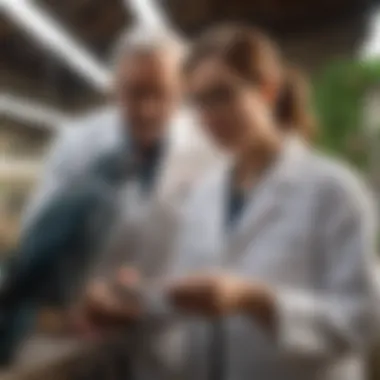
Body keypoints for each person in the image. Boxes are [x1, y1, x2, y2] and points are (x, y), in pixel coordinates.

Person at [87, 25, 378, 380]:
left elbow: (362, 322)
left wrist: (257, 301)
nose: (208, 116)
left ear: (268, 90)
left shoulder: (333, 191)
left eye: (222, 95)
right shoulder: (203, 195)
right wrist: (133, 301)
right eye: (198, 101)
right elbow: (187, 296)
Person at [0, 27, 219, 366]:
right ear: (113, 89)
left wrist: (154, 297)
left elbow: (216, 249)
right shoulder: (78, 142)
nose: (146, 109)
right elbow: (37, 233)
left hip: (170, 329)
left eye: (160, 94)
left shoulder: (210, 149)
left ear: (182, 91)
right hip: (85, 323)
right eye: (134, 93)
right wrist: (83, 298)